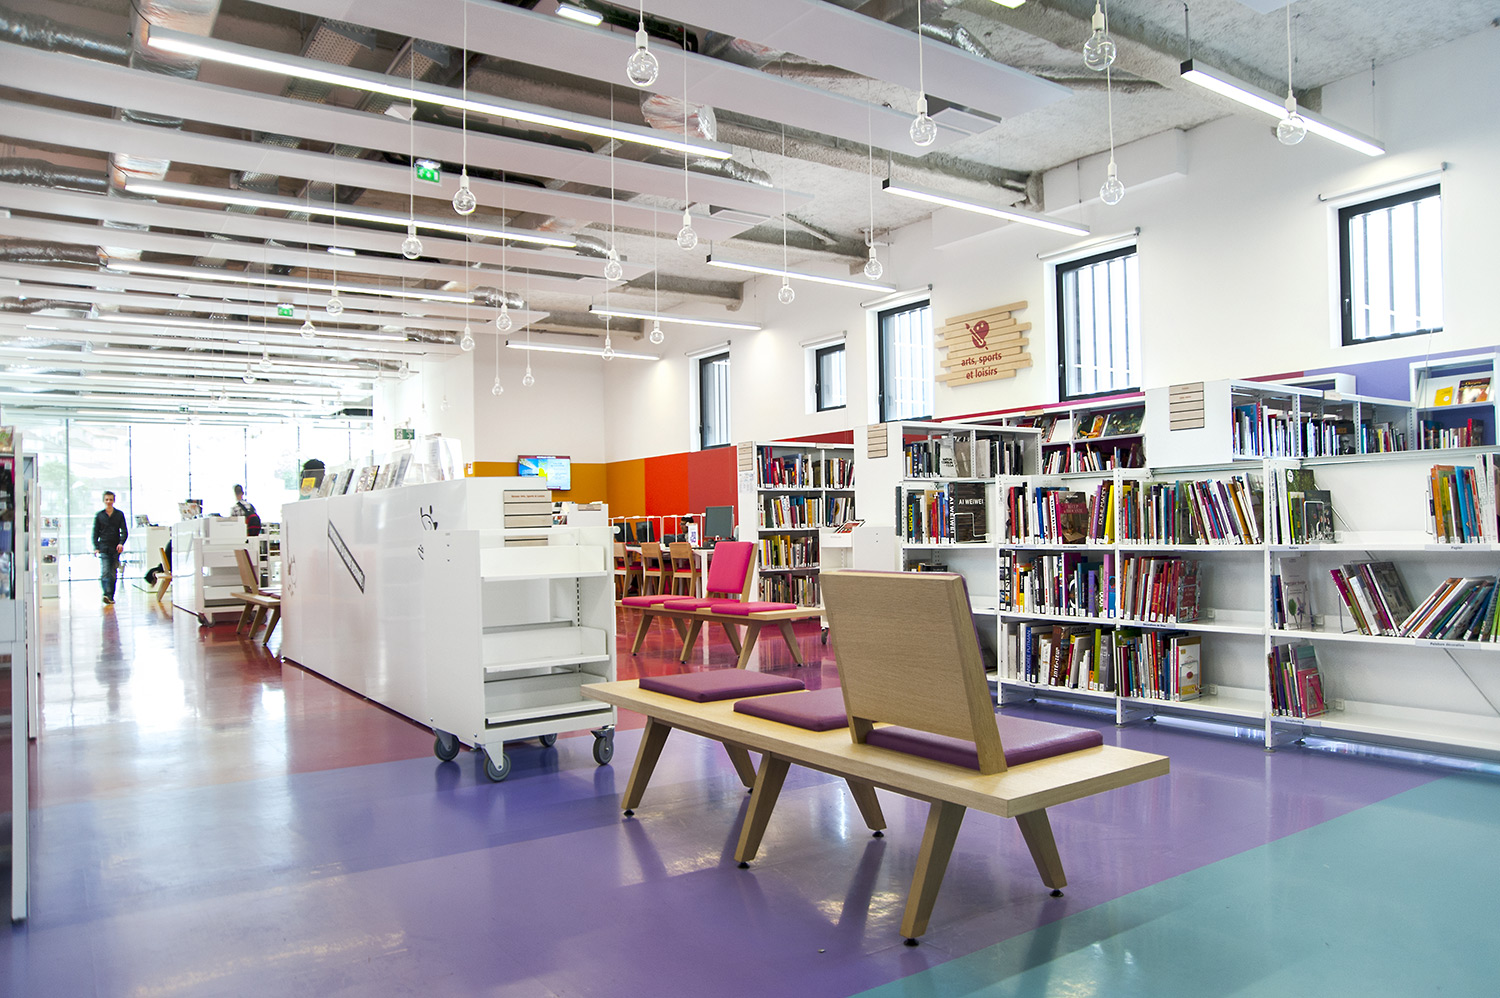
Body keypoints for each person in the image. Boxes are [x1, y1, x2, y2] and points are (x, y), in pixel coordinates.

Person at [93, 490, 128, 606]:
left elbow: (124, 531)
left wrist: (121, 543)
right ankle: (106, 594)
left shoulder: (119, 514)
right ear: (104, 501)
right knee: (105, 572)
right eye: (107, 499)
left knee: (113, 573)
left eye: (111, 499)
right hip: (103, 547)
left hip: (115, 548)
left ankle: (110, 596)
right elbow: (95, 532)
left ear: (114, 500)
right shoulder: (99, 515)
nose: (109, 501)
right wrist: (96, 547)